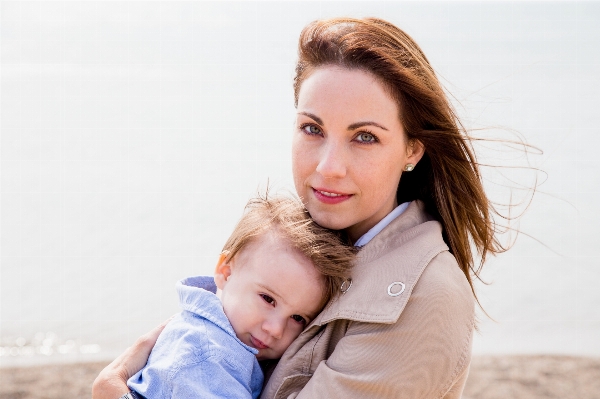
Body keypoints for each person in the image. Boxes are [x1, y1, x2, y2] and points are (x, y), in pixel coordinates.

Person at [94, 17, 509, 399]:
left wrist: (111, 390)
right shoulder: (295, 245)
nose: (328, 167)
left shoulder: (426, 298)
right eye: (313, 129)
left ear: (412, 150)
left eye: (364, 137)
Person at [125, 195, 355, 399]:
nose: (275, 329)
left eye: (297, 318)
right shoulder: (208, 358)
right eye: (268, 299)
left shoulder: (217, 336)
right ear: (226, 272)